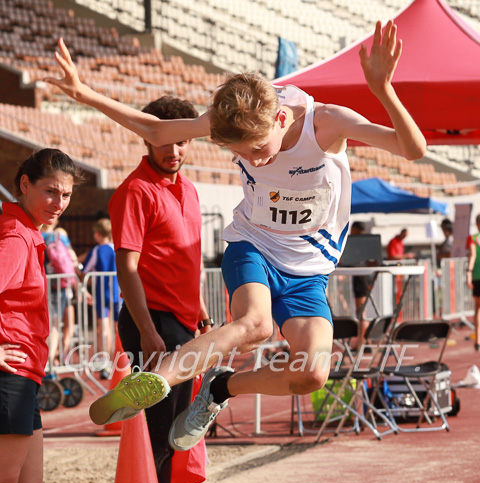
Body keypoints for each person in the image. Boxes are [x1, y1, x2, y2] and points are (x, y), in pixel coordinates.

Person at [47, 20, 426, 451]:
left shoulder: (327, 124)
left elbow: (413, 150)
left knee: (311, 374)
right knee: (255, 324)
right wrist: (83, 94)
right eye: (241, 155)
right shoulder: (230, 119)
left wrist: (383, 89)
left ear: (281, 119)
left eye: (258, 150)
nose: (253, 162)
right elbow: (155, 130)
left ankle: (223, 387)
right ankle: (155, 381)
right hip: (254, 246)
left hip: (309, 270)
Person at [108, 96, 215, 483]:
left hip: (182, 320)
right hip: (152, 322)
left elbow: (182, 259)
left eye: (183, 140)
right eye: (164, 140)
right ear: (145, 136)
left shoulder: (188, 190)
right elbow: (127, 269)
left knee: (174, 427)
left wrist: (200, 308)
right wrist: (150, 331)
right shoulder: (134, 192)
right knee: (157, 430)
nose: (174, 149)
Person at [0, 148, 101, 483]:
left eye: (66, 194)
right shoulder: (15, 236)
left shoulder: (29, 234)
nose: (58, 201)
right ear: (23, 185)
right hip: (8, 374)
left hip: (27, 374)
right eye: (49, 191)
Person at [81, 218, 120, 378]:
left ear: (97, 234)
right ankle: (118, 361)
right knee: (117, 329)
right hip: (119, 293)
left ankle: (104, 360)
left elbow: (85, 271)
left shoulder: (97, 250)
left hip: (102, 294)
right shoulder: (117, 249)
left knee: (102, 328)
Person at [42, 217, 79, 366]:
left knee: (47, 324)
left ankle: (49, 358)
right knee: (56, 324)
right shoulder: (60, 237)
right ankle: (53, 359)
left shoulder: (36, 235)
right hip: (60, 284)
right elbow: (72, 258)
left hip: (42, 283)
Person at [349, 221, 371, 350]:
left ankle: (361, 343)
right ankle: (365, 342)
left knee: (361, 312)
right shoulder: (366, 243)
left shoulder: (357, 243)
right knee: (362, 311)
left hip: (360, 278)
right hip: (366, 277)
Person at [466, 213, 480, 351]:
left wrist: (468, 273)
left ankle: (478, 340)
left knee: (478, 309)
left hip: (477, 276)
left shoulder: (473, 238)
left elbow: (473, 255)